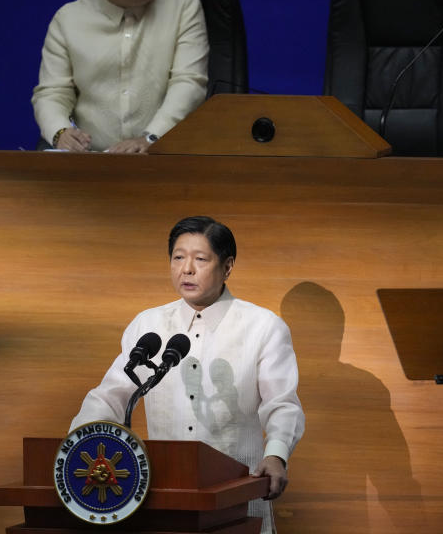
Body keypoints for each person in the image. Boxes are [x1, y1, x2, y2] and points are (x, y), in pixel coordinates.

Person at [69, 216, 304, 533]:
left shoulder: (263, 327)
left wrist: (276, 455)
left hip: (236, 496)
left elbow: (282, 403)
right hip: (164, 496)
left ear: (227, 266)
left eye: (200, 259)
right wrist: (74, 449)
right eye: (178, 258)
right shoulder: (148, 325)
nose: (186, 269)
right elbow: (110, 397)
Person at [32, 0, 208, 153]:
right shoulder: (68, 19)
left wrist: (150, 138)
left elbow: (189, 83)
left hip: (166, 157)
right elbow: (52, 92)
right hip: (94, 163)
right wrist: (61, 132)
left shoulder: (184, 7)